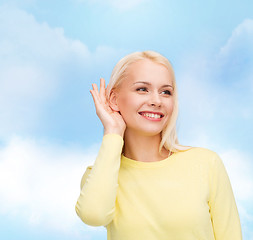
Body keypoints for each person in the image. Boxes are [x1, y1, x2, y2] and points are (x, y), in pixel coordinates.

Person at [75, 50, 242, 240]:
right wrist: (113, 132)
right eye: (142, 89)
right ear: (113, 99)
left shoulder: (206, 163)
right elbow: (93, 216)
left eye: (166, 92)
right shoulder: (100, 174)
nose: (156, 101)